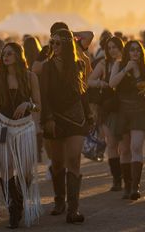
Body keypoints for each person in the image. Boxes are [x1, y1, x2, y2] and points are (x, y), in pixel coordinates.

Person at [0, 42, 42, 229]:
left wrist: (27, 105)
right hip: (2, 126)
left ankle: (17, 200)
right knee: (4, 167)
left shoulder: (30, 76)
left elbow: (38, 105)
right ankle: (14, 208)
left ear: (18, 55)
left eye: (9, 53)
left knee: (25, 171)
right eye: (3, 54)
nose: (5, 56)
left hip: (25, 127)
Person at [40, 28, 92, 224]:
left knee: (74, 161)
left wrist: (89, 113)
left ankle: (73, 209)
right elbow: (44, 95)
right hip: (55, 117)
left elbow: (83, 91)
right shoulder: (47, 67)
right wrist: (48, 119)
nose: (53, 46)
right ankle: (59, 200)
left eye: (58, 43)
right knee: (58, 162)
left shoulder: (79, 64)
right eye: (51, 43)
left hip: (77, 118)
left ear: (67, 45)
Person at [109, 40, 145, 200]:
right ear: (127, 52)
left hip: (139, 111)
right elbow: (111, 84)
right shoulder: (118, 65)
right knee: (125, 150)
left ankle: (135, 186)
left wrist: (136, 74)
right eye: (132, 50)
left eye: (138, 50)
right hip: (122, 111)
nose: (135, 52)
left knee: (136, 147)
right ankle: (127, 186)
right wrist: (126, 70)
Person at [87, 35, 122, 192]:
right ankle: (117, 179)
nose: (112, 50)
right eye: (110, 48)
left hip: (124, 106)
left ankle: (126, 177)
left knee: (124, 146)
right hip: (107, 108)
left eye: (115, 47)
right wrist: (101, 83)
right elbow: (90, 81)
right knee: (112, 144)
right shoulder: (104, 63)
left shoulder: (126, 62)